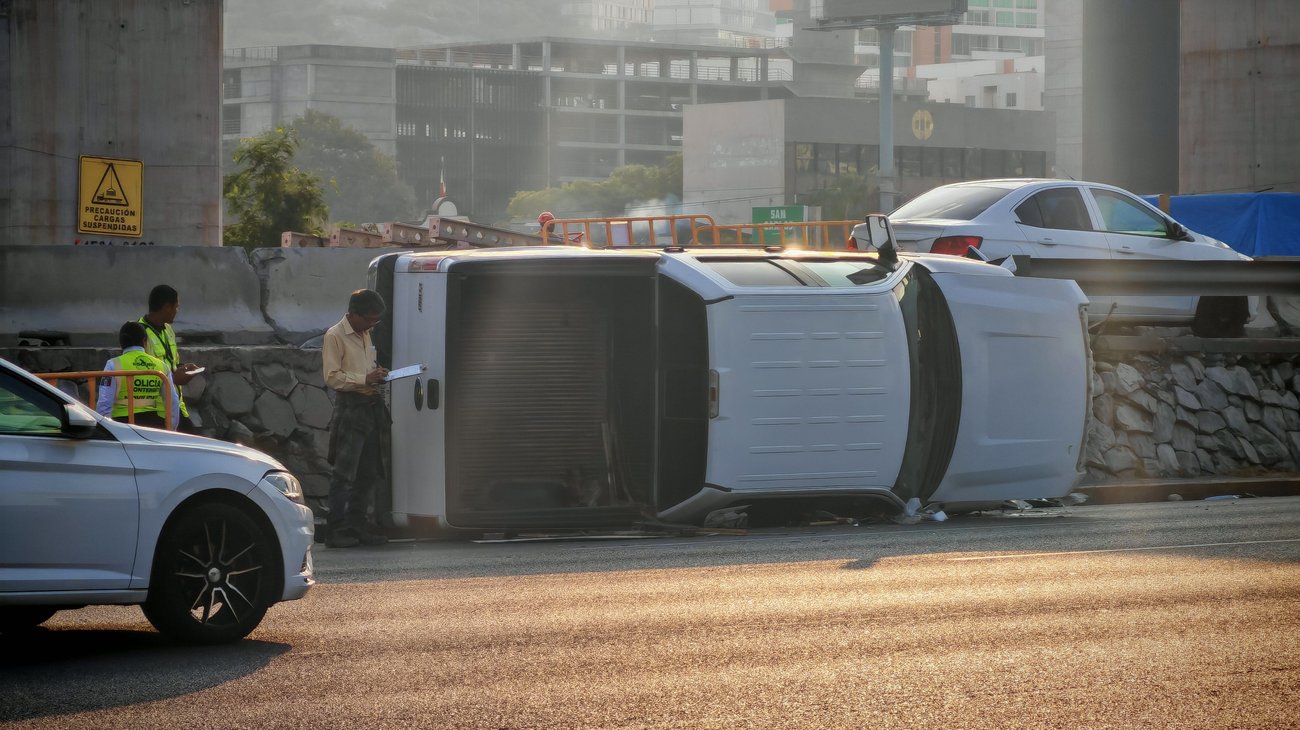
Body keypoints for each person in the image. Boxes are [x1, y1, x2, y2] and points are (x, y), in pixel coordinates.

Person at [322, 289, 391, 548]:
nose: (372, 325)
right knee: (344, 474)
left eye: (375, 320)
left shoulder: (365, 333)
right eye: (369, 319)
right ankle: (335, 529)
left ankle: (357, 525)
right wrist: (364, 379)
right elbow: (332, 377)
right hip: (351, 408)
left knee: (368, 472)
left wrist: (377, 374)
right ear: (353, 314)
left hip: (371, 406)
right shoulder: (335, 335)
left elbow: (365, 367)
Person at [140, 284, 202, 432]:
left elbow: (171, 363)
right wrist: (173, 379)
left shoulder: (168, 330)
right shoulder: (139, 332)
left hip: (175, 407)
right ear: (167, 307)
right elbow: (139, 373)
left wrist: (183, 368)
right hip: (154, 412)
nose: (176, 311)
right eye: (176, 307)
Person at [96, 321, 181, 430]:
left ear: (121, 343)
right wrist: (170, 429)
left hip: (122, 425)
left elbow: (104, 402)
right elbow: (173, 402)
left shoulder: (113, 364)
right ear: (145, 341)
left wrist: (105, 429)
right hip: (153, 425)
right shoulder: (162, 366)